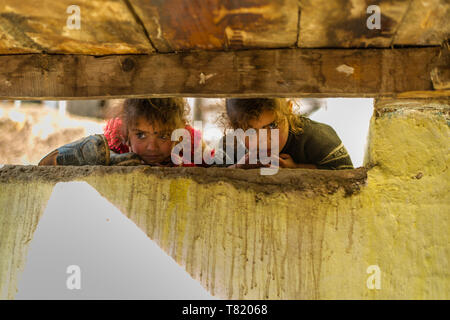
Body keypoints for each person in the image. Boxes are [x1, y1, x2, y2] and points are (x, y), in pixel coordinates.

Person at [38, 98, 212, 167]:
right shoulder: (111, 146)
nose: (152, 147)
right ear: (126, 133)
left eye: (163, 135)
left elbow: (217, 166)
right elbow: (45, 165)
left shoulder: (190, 145)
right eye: (141, 135)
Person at [214, 98, 354, 170]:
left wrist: (298, 169)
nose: (263, 140)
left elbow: (346, 173)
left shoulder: (318, 138)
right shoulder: (230, 146)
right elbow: (209, 178)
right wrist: (237, 169)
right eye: (250, 131)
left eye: (272, 126)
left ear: (289, 109)